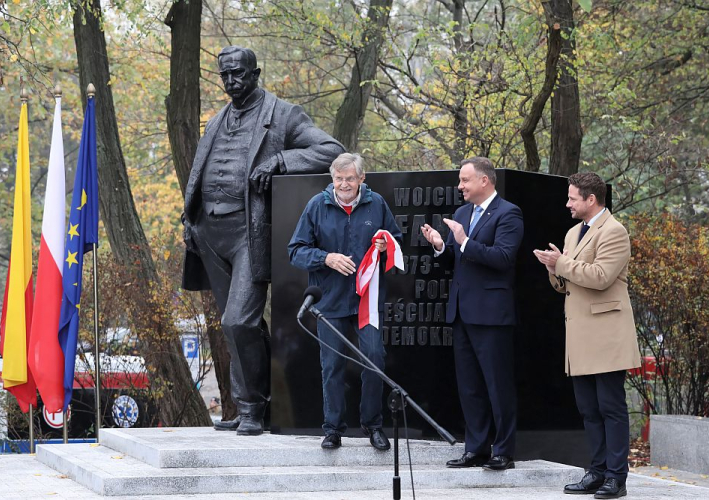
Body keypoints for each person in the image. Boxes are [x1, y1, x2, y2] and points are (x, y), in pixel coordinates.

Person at [182, 46, 344, 436]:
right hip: (210, 233)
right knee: (240, 327)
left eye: (238, 74)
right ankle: (258, 402)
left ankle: (253, 406)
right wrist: (191, 220)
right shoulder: (216, 121)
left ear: (256, 72)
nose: (231, 82)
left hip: (248, 235)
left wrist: (280, 162)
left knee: (238, 320)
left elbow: (332, 150)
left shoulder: (282, 115)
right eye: (224, 76)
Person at [533, 172, 641, 499]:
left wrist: (561, 264)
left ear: (590, 199)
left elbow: (601, 277)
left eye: (572, 198)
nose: (567, 204)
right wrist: (555, 271)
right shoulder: (571, 233)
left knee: (611, 408)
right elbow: (568, 285)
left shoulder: (615, 231)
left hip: (607, 336)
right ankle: (596, 472)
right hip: (580, 337)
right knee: (588, 410)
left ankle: (616, 478)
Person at [288, 153, 402, 450]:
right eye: (338, 179)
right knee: (332, 366)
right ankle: (333, 429)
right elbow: (295, 251)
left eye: (349, 178)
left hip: (367, 300)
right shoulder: (317, 205)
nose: (344, 184)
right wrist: (326, 258)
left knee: (375, 360)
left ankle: (373, 425)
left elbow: (396, 241)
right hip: (330, 302)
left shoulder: (376, 204)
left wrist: (384, 245)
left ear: (362, 178)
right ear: (332, 179)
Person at [421, 157, 523, 471]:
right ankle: (476, 448)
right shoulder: (462, 213)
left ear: (484, 181)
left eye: (465, 180)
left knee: (497, 384)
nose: (460, 186)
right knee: (470, 386)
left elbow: (503, 258)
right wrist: (441, 247)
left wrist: (464, 240)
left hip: (491, 315)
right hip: (462, 313)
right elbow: (456, 260)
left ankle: (503, 450)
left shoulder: (509, 214)